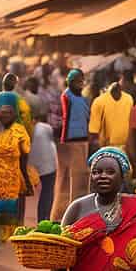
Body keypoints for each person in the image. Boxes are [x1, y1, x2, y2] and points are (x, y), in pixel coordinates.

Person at [0, 92, 33, 241]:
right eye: (3, 111)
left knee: (9, 204)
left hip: (12, 175)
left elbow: (24, 156)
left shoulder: (19, 131)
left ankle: (7, 234)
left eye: (9, 111)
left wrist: (25, 177)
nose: (6, 114)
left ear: (15, 114)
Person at [52, 69, 91, 220]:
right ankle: (62, 215)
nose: (80, 84)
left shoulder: (82, 98)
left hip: (82, 140)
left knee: (81, 179)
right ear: (71, 82)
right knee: (67, 180)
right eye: (77, 81)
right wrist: (64, 140)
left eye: (82, 81)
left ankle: (78, 214)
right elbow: (65, 117)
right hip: (70, 141)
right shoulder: (66, 96)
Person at [88, 81, 134, 154]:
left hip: (123, 148)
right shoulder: (99, 102)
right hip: (108, 149)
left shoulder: (129, 99)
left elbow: (93, 131)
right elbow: (93, 131)